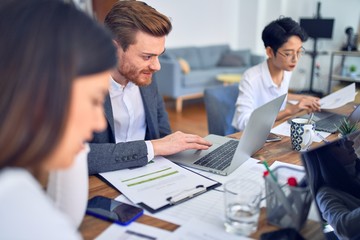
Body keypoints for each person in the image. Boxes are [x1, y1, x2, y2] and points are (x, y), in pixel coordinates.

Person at [0, 0, 117, 239]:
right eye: (94, 100)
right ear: (40, 92)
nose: (100, 123)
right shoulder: (13, 202)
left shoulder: (18, 184)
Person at [88, 0, 211, 175]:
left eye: (159, 56)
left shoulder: (145, 75)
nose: (157, 66)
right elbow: (80, 156)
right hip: (103, 183)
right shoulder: (80, 86)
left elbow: (163, 134)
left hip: (152, 173)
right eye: (147, 57)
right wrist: (152, 147)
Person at [232, 17, 321, 131]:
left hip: (276, 130)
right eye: (288, 53)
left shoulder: (286, 70)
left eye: (299, 51)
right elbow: (242, 122)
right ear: (269, 52)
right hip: (252, 135)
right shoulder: (251, 78)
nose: (295, 59)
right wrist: (289, 111)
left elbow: (277, 95)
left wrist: (304, 98)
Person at [304, 133, 360, 240]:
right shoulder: (325, 194)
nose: (350, 143)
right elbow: (343, 228)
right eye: (339, 144)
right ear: (325, 157)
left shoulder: (356, 169)